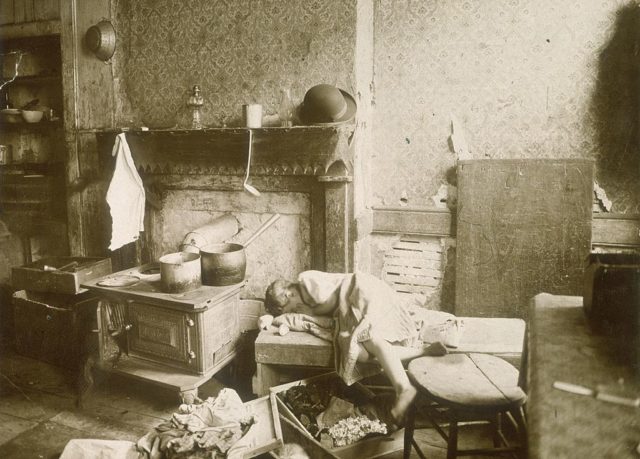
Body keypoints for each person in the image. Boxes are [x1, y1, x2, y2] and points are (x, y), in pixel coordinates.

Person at [264, 270, 449, 426]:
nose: (296, 311)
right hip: (351, 308)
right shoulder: (303, 299)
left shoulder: (306, 280)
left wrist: (311, 312)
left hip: (362, 292)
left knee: (367, 336)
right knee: (360, 353)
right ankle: (425, 352)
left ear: (288, 294)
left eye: (292, 308)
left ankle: (404, 387)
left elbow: (329, 298)